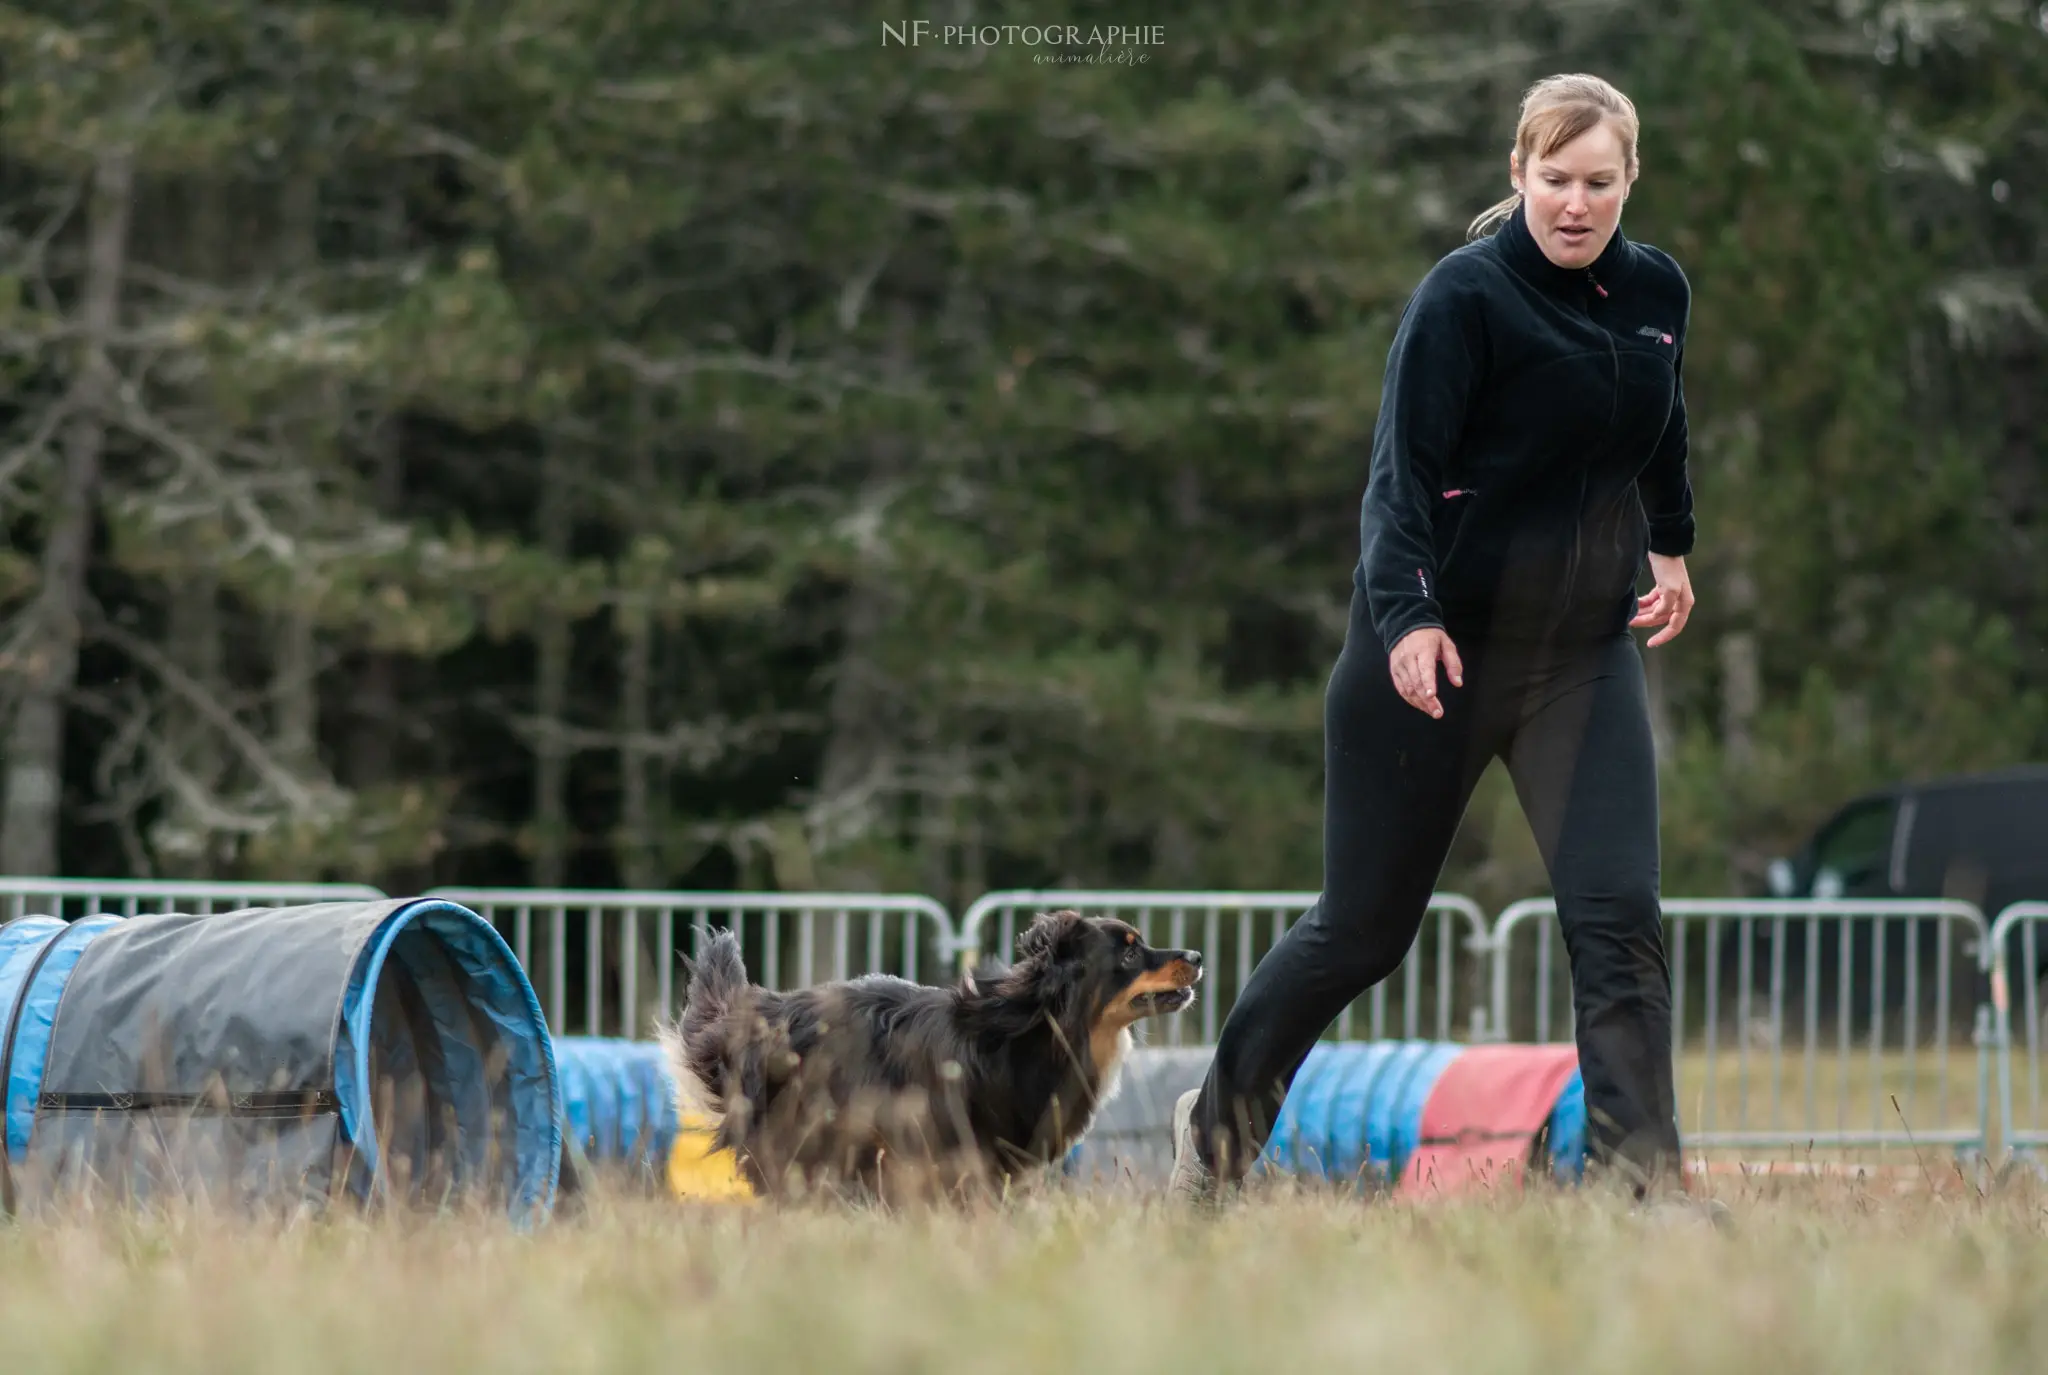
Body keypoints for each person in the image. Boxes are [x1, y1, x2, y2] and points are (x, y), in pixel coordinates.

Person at [1170, 73, 1699, 1203]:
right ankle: (1214, 1135)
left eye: (1597, 183)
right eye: (1553, 179)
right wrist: (1406, 619)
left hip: (1577, 654)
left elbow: (1659, 422)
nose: (1573, 202)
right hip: (1436, 654)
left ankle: (1638, 1185)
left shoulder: (1656, 289)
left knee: (1616, 920)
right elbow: (1395, 481)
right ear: (1515, 173)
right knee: (1360, 931)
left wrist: (1670, 542)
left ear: (1628, 180)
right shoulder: (1462, 299)